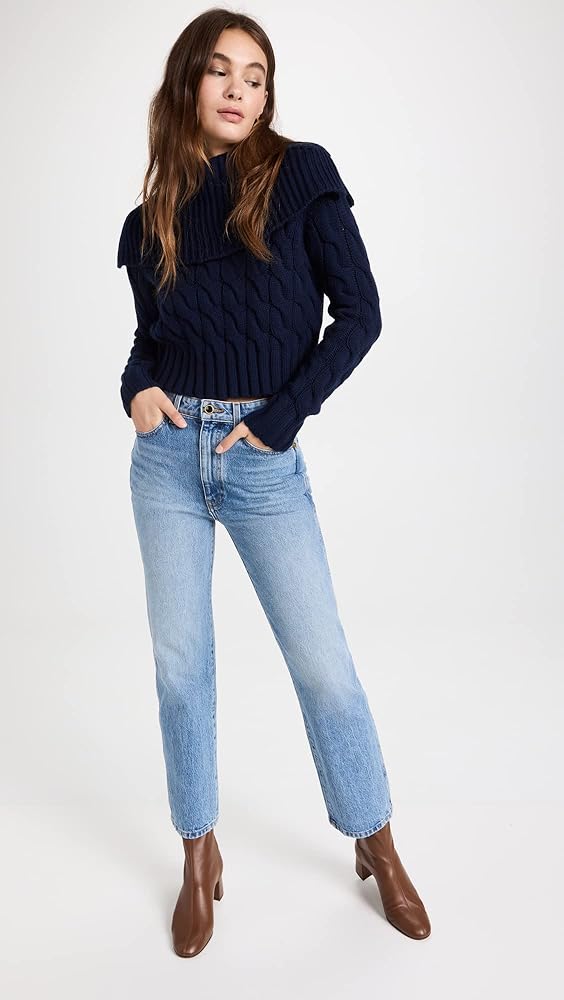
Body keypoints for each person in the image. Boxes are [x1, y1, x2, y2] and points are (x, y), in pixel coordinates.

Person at [117, 8, 431, 958]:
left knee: (322, 663)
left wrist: (283, 416)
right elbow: (151, 342)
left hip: (261, 459)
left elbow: (361, 315)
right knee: (182, 670)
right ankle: (198, 852)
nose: (240, 89)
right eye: (221, 71)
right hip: (167, 459)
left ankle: (375, 839)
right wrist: (135, 390)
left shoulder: (300, 177)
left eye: (256, 76)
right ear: (189, 84)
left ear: (268, 95)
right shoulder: (152, 217)